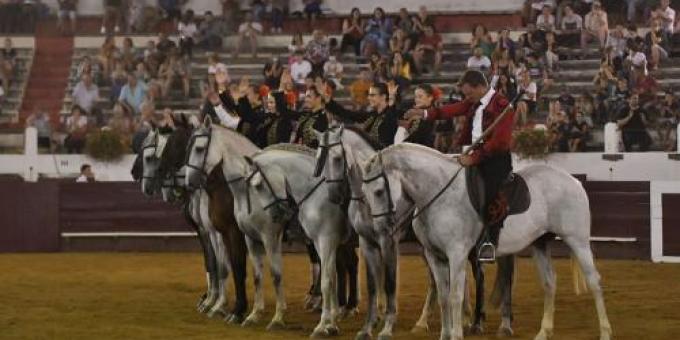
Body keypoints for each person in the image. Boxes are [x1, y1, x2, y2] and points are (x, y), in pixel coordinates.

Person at [420, 70, 515, 262]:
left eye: (469, 93)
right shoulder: (474, 102)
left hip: (494, 160)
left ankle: (490, 240)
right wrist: (424, 113)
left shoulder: (502, 106)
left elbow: (500, 142)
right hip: (474, 154)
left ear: (480, 87)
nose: (467, 98)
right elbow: (451, 109)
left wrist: (475, 158)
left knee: (490, 195)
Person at [324, 82, 400, 147]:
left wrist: (392, 100)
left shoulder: (391, 114)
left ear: (383, 96)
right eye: (369, 95)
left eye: (372, 95)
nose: (369, 98)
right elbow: (348, 114)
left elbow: (393, 115)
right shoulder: (372, 115)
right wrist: (329, 102)